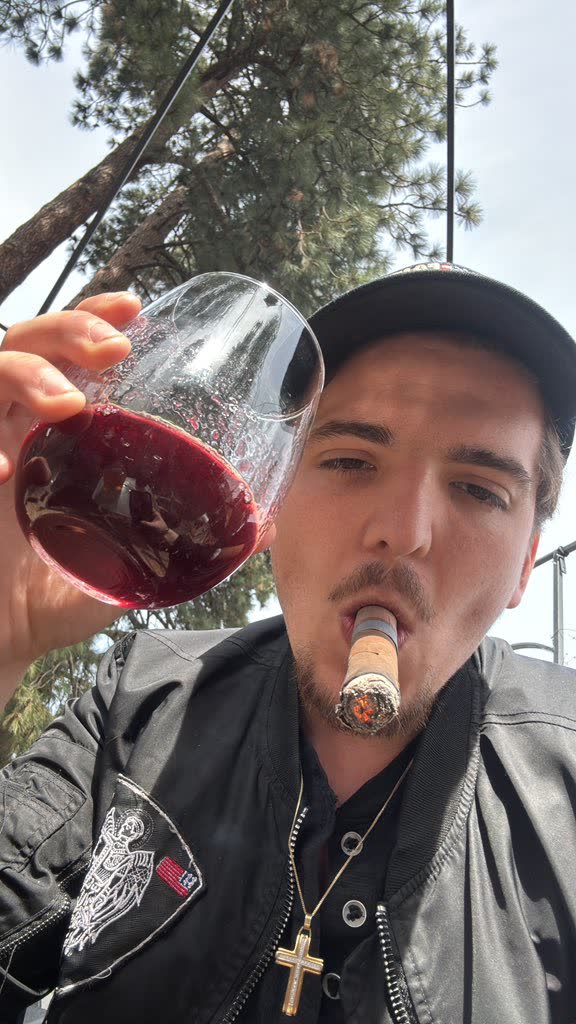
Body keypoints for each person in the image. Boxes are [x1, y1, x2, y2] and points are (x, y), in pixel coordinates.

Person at [1, 262, 576, 1024]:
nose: (403, 532)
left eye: (478, 489)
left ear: (526, 565)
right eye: (350, 461)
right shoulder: (139, 701)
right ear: (272, 498)